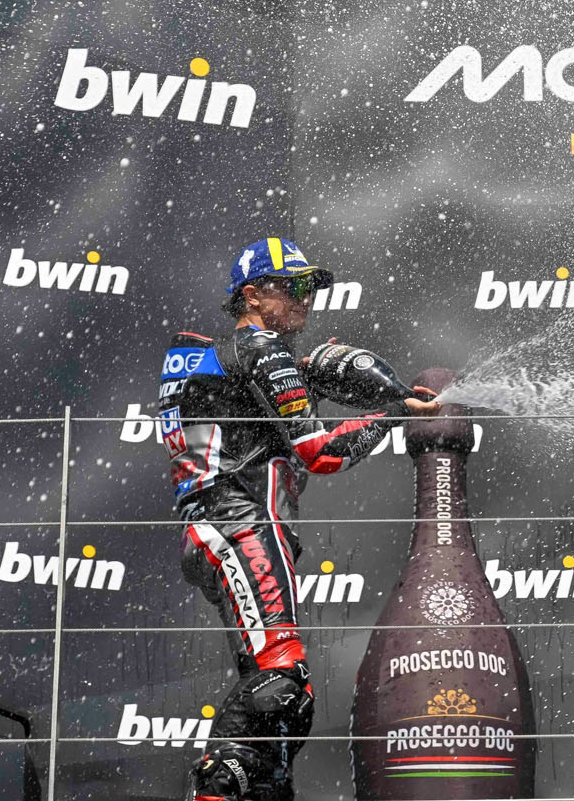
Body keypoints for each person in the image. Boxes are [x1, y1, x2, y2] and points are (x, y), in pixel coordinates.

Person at [158, 237, 442, 801]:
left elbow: (250, 401)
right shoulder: (260, 348)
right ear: (251, 296)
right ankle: (214, 789)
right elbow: (320, 452)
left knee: (281, 712)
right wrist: (391, 412)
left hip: (220, 529)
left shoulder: (226, 357)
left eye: (310, 286)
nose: (306, 298)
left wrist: (321, 375)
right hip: (244, 526)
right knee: (280, 686)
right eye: (292, 287)